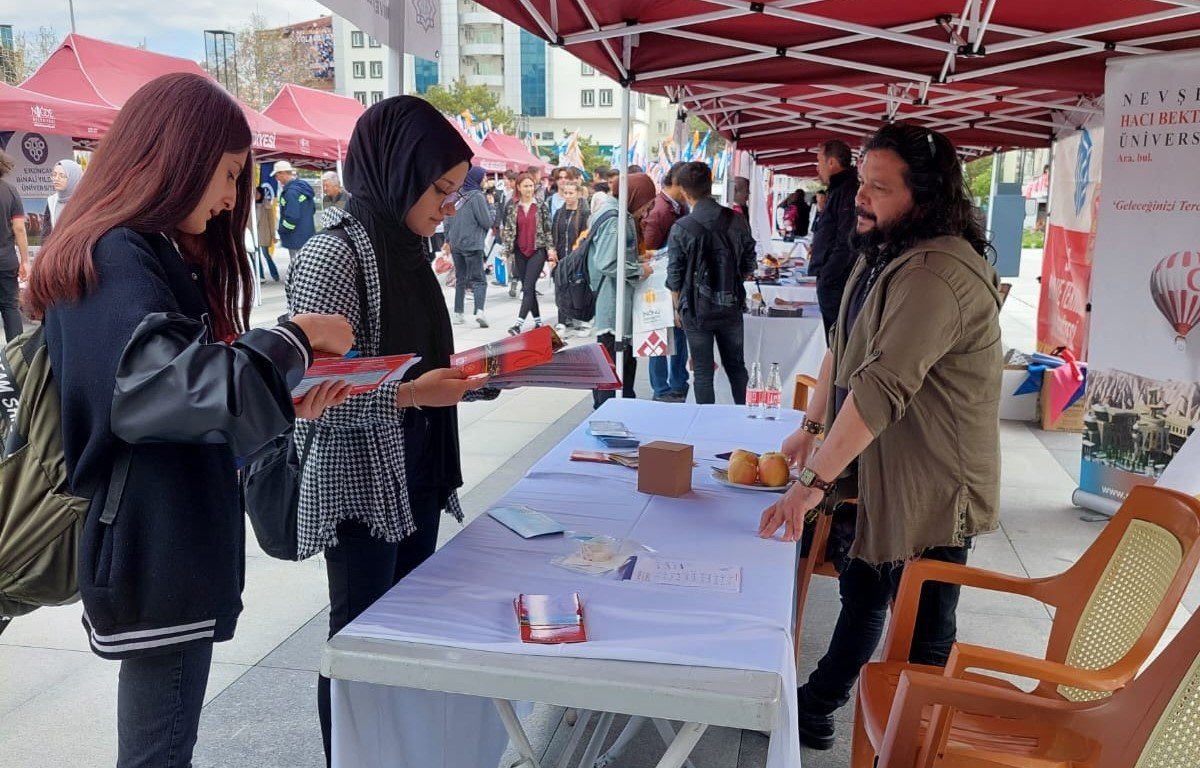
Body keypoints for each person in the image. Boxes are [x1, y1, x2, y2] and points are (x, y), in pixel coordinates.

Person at [26, 72, 354, 768]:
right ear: (177, 156)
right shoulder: (118, 255)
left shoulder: (132, 249)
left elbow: (166, 395)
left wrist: (279, 389)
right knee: (160, 753)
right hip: (156, 547)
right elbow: (160, 396)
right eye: (230, 174)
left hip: (162, 542)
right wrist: (291, 339)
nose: (235, 197)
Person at [758, 122, 1003, 750]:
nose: (860, 197)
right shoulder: (887, 251)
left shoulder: (933, 273)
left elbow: (882, 386)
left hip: (935, 483)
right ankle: (820, 704)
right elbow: (846, 348)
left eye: (878, 187)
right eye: (861, 183)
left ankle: (917, 745)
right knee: (865, 588)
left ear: (924, 196)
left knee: (923, 626)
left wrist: (810, 486)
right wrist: (810, 428)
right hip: (883, 465)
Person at [284, 95, 493, 767]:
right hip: (359, 484)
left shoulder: (409, 250)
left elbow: (418, 361)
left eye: (456, 195)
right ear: (398, 170)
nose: (446, 208)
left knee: (404, 636)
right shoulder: (332, 254)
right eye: (439, 190)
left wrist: (465, 377)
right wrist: (408, 394)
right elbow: (307, 395)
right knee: (357, 640)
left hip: (418, 470)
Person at [667, 161, 755, 404]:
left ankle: (705, 424)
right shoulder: (736, 220)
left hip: (695, 309)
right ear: (710, 184)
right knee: (737, 367)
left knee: (703, 373)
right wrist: (733, 277)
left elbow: (674, 275)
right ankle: (746, 419)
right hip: (731, 304)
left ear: (683, 190)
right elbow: (749, 260)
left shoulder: (681, 228)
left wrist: (677, 307)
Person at [589, 172, 656, 408]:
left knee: (620, 374)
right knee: (612, 375)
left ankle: (618, 412)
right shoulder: (615, 218)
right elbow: (606, 261)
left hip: (617, 307)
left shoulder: (618, 214)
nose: (645, 213)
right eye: (646, 206)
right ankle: (607, 416)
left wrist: (637, 261)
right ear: (635, 197)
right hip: (612, 309)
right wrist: (639, 270)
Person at [641, 161, 690, 403]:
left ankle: (678, 382)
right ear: (679, 185)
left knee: (678, 334)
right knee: (659, 337)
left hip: (675, 281)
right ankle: (661, 388)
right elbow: (648, 250)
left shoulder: (678, 208)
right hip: (658, 285)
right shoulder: (660, 210)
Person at [808, 139, 858, 334]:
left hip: (837, 280)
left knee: (836, 338)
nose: (817, 167)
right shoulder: (839, 189)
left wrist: (827, 275)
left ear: (832, 162)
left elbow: (846, 241)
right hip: (832, 277)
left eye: (819, 161)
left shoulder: (847, 190)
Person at [502, 171, 556, 335]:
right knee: (529, 288)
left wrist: (551, 250)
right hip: (519, 250)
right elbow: (509, 230)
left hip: (537, 250)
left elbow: (548, 230)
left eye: (531, 186)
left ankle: (518, 324)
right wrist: (506, 252)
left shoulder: (541, 205)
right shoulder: (512, 206)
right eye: (525, 186)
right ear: (518, 187)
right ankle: (538, 322)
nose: (529, 189)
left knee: (527, 287)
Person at [443, 164, 491, 327]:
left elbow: (447, 218)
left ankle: (458, 313)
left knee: (460, 279)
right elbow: (486, 221)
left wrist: (447, 241)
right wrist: (491, 208)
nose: (486, 180)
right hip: (472, 244)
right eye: (484, 177)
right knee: (479, 280)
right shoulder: (477, 196)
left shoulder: (457, 195)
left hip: (456, 244)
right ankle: (479, 311)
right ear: (477, 178)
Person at [550, 179, 591, 336]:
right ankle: (561, 321)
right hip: (561, 255)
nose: (567, 196)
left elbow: (585, 236)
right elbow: (554, 233)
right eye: (565, 193)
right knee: (561, 287)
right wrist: (552, 250)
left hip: (578, 257)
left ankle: (583, 321)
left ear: (578, 194)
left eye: (571, 193)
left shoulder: (584, 213)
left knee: (578, 288)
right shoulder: (560, 213)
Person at [0, 151, 29, 341]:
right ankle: (16, 358)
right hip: (6, 262)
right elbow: (19, 228)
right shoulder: (10, 191)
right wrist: (25, 261)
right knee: (10, 307)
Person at [274, 160, 317, 256]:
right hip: (308, 237)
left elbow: (292, 218)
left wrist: (282, 230)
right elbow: (313, 209)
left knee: (298, 268)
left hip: (295, 240)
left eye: (277, 175)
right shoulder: (303, 188)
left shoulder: (290, 193)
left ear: (284, 173)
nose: (276, 178)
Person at [45, 158, 83, 237]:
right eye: (54, 175)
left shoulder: (84, 202)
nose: (56, 179)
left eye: (62, 176)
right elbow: (46, 234)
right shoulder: (52, 201)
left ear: (73, 178)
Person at [254, 184, 280, 281]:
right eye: (254, 193)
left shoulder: (267, 205)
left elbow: (271, 221)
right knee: (256, 256)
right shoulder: (250, 206)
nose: (256, 195)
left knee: (266, 254)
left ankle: (275, 274)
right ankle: (260, 276)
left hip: (264, 234)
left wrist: (273, 235)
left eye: (257, 193)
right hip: (253, 234)